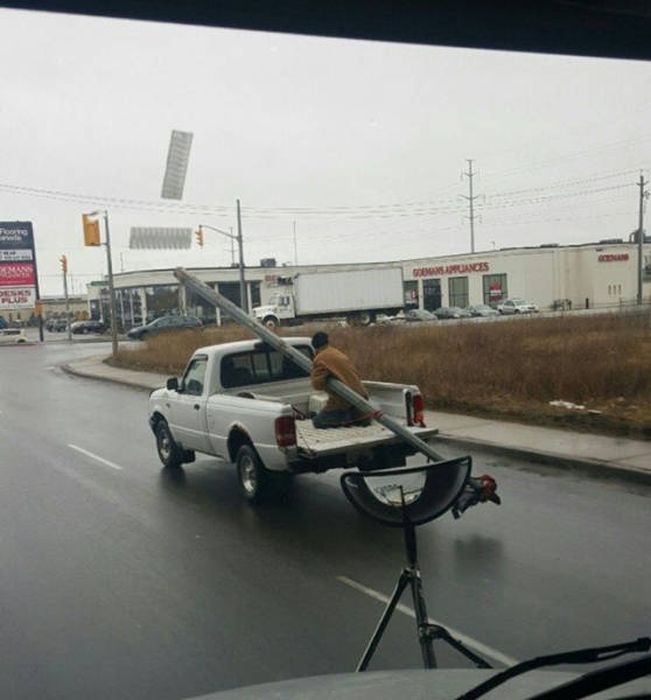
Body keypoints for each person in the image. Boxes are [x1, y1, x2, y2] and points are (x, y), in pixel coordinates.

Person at [310, 331, 370, 428]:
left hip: (344, 399)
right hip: (361, 396)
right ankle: (360, 418)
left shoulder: (320, 358)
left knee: (318, 422)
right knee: (358, 415)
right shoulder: (337, 353)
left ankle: (347, 419)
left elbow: (317, 385)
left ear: (315, 346)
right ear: (327, 342)